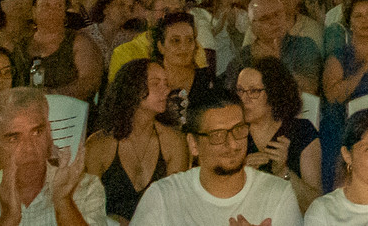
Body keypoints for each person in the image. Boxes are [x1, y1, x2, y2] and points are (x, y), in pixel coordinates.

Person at [130, 86, 303, 226]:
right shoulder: (163, 197)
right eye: (217, 135)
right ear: (193, 144)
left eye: (238, 130)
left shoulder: (277, 194)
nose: (233, 144)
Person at [0, 88, 108, 226]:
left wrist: (64, 203)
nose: (29, 148)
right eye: (14, 138)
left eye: (37, 132)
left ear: (49, 136)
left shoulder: (85, 189)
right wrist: (8, 218)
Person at [83, 58, 191, 223]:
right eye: (156, 83)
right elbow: (89, 209)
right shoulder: (99, 145)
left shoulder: (174, 142)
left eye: (166, 83)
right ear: (133, 89)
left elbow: (174, 206)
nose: (166, 89)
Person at [231, 57, 322, 208]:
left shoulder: (302, 131)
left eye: (253, 91)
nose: (244, 99)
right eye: (240, 90)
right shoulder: (232, 132)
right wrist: (239, 176)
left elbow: (315, 205)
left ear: (274, 93)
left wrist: (283, 172)